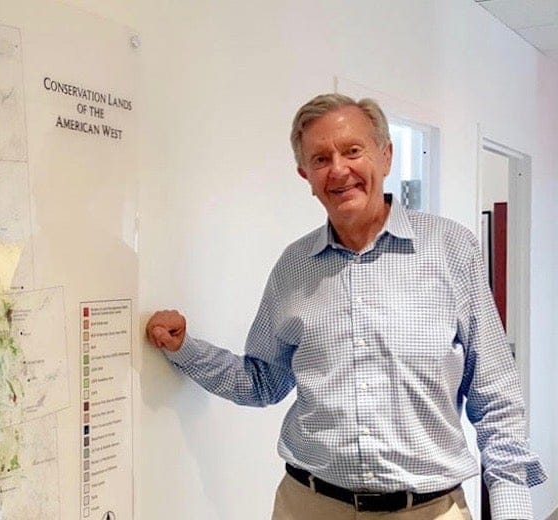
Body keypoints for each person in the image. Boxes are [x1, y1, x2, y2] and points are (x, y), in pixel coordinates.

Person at [145, 93, 546, 519]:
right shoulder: (293, 267)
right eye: (320, 159)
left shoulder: (451, 249)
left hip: (428, 511)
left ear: (386, 156)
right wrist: (184, 348)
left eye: (353, 151)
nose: (338, 170)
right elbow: (263, 381)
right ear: (305, 175)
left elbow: (496, 400)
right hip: (309, 505)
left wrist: (512, 512)